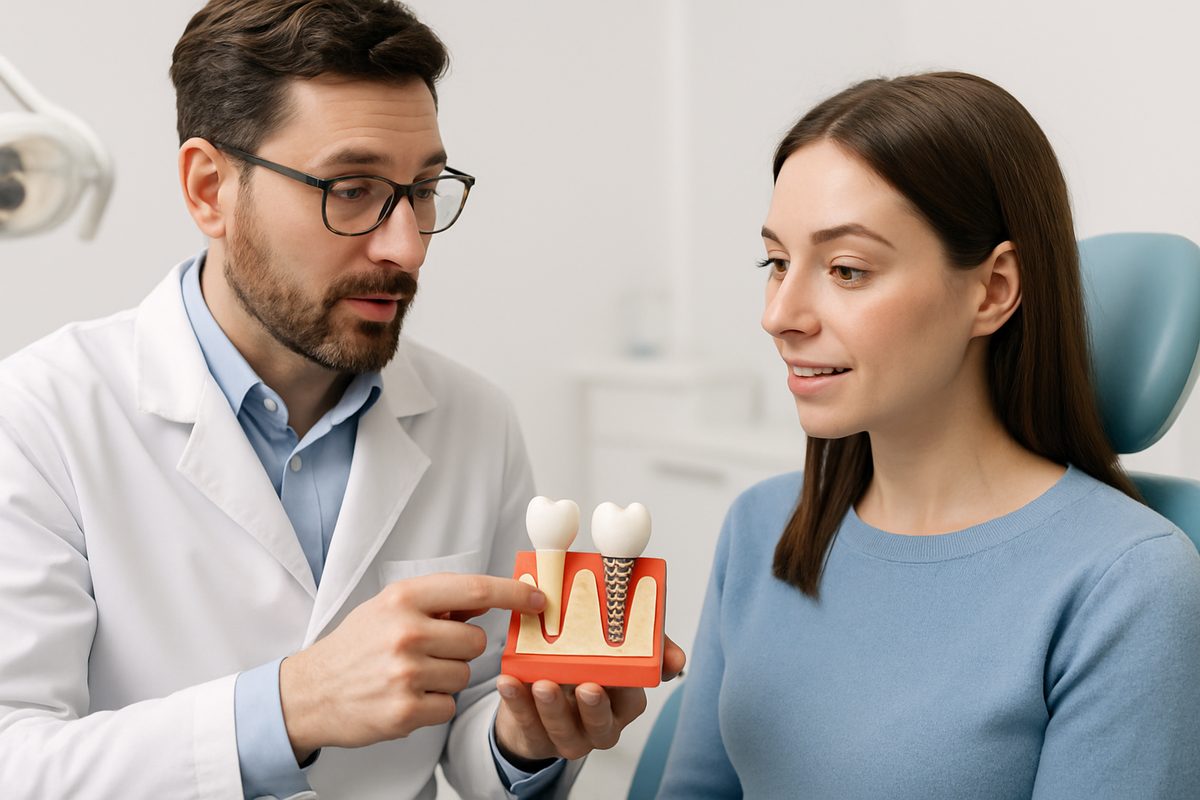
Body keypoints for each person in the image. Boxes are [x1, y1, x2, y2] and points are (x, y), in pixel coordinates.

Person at [0, 1, 683, 798]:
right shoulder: (40, 417)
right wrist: (292, 705)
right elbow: (15, 759)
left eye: (423, 189)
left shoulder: (475, 420)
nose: (406, 246)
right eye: (351, 189)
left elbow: (474, 724)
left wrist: (522, 742)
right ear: (210, 188)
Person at [657, 71, 1200, 798]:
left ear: (993, 289)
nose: (779, 315)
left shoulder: (1128, 585)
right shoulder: (762, 527)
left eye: (846, 270)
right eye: (777, 263)